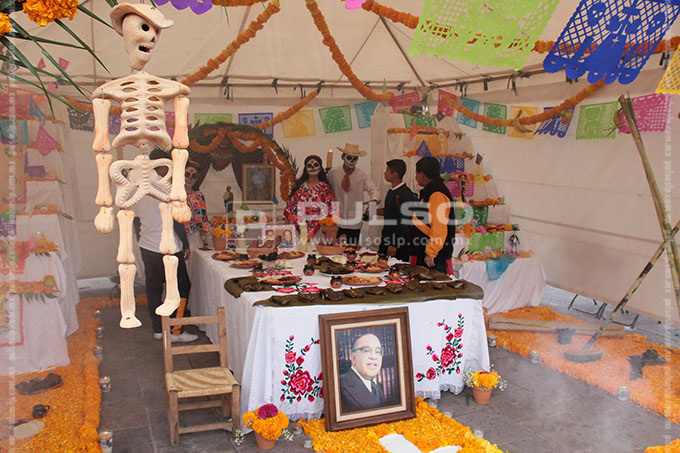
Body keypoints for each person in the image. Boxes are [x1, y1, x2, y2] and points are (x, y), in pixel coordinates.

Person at [134, 148, 197, 342]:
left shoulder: (138, 185)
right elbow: (177, 219)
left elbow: (135, 218)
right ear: (162, 166)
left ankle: (158, 329)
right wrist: (185, 244)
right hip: (168, 247)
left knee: (154, 288)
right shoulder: (165, 188)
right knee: (181, 287)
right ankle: (176, 331)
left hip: (147, 245)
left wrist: (142, 238)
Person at [327, 143, 380, 246]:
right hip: (336, 221)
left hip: (354, 222)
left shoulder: (362, 176)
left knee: (351, 250)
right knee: (334, 249)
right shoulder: (333, 173)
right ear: (343, 157)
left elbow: (374, 190)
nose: (352, 161)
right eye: (349, 157)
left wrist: (373, 201)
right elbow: (326, 190)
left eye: (355, 158)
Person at [410, 156, 455, 274]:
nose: (415, 177)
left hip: (434, 257)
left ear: (422, 174)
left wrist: (431, 252)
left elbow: (439, 226)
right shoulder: (429, 191)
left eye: (416, 173)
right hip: (422, 249)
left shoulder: (437, 194)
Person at [284, 155, 335, 239]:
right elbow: (291, 207)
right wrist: (285, 226)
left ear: (320, 168)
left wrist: (330, 229)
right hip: (299, 228)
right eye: (309, 166)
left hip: (319, 228)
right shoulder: (300, 187)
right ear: (306, 169)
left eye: (315, 165)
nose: (313, 168)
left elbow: (331, 207)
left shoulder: (325, 188)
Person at [340, 333, 391, 413]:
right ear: (353, 358)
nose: (374, 357)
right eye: (367, 351)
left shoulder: (377, 386)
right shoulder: (340, 387)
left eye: (378, 352)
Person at [378, 159, 414, 262]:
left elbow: (405, 220)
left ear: (395, 174)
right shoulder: (391, 191)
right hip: (386, 238)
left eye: (387, 170)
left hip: (397, 244)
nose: (384, 173)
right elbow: (389, 211)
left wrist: (395, 244)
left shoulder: (405, 194)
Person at [184, 161, 209, 248]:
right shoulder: (176, 196)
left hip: (197, 238)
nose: (190, 179)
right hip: (180, 239)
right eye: (187, 175)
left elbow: (203, 220)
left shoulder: (199, 196)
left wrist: (205, 242)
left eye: (194, 176)